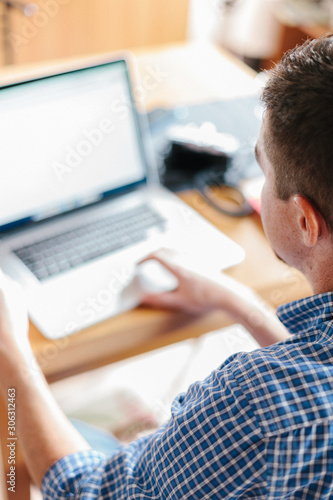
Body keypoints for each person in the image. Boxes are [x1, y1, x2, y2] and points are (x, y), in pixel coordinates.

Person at [1, 32, 333, 499]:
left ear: (304, 220)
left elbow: (89, 491)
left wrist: (12, 356)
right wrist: (239, 303)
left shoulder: (254, 407)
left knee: (37, 426)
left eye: (264, 171)